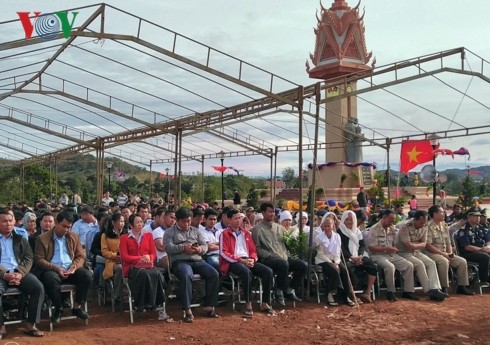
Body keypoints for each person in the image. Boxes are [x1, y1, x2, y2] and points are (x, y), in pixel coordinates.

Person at [34, 210, 92, 323]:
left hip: (70, 269)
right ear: (56, 222)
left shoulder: (73, 236)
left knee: (86, 275)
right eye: (64, 226)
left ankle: (77, 307)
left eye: (69, 227)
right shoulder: (42, 238)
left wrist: (74, 267)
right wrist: (56, 268)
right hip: (52, 269)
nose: (66, 229)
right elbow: (39, 259)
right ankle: (59, 308)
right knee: (50, 279)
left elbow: (81, 256)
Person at [164, 208, 220, 323]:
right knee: (186, 275)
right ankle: (187, 308)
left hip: (197, 260)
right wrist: (183, 248)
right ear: (177, 221)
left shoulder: (195, 231)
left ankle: (209, 305)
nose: (187, 224)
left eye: (188, 221)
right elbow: (167, 247)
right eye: (183, 221)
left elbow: (205, 246)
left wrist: (199, 249)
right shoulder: (170, 232)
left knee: (213, 273)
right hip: (180, 262)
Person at [219, 209, 276, 316]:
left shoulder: (246, 233)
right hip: (233, 262)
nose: (238, 221)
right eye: (235, 218)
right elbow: (223, 253)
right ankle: (248, 303)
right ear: (229, 220)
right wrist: (241, 260)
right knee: (246, 272)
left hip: (247, 260)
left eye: (239, 218)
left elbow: (253, 250)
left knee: (268, 271)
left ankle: (265, 302)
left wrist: (253, 259)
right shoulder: (224, 234)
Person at [0, 209, 45, 338]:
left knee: (38, 287)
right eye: (4, 221)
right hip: (2, 274)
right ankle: (1, 326)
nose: (8, 224)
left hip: (20, 272)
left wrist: (19, 273)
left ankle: (31, 324)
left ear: (14, 221)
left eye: (10, 221)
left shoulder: (20, 238)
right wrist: (5, 274)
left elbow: (28, 258)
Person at [252, 203, 306, 306]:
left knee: (302, 265)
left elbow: (287, 242)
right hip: (268, 259)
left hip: (283, 257)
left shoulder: (279, 227)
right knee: (283, 264)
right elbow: (257, 249)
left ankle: (289, 290)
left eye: (273, 212)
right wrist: (269, 255)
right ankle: (279, 290)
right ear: (263, 213)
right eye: (269, 212)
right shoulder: (257, 229)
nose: (272, 214)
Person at [396, 211, 448, 301]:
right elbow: (407, 245)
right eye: (421, 223)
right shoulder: (404, 226)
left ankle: (435, 288)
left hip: (416, 252)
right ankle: (429, 290)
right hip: (403, 252)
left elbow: (424, 243)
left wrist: (416, 245)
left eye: (424, 223)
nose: (423, 225)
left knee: (431, 263)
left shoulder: (425, 225)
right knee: (419, 264)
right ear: (415, 220)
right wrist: (419, 244)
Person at [366, 210, 417, 301]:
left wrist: (393, 248)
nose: (391, 222)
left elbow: (394, 244)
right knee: (390, 267)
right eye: (390, 220)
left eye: (393, 221)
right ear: (384, 217)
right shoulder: (374, 229)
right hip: (377, 255)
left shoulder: (392, 229)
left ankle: (408, 291)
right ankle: (390, 292)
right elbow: (371, 247)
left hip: (391, 254)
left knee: (409, 265)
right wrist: (386, 249)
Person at [119, 214, 166, 312]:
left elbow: (153, 254)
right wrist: (140, 258)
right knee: (144, 274)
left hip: (147, 265)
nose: (140, 224)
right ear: (131, 225)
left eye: (141, 221)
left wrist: (149, 257)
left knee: (156, 273)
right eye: (137, 222)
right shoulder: (124, 238)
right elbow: (124, 257)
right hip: (131, 267)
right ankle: (142, 303)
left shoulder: (148, 235)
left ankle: (155, 303)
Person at [425, 206, 474, 295]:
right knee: (444, 261)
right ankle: (444, 287)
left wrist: (450, 252)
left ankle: (462, 286)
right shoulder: (428, 226)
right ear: (435, 214)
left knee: (462, 261)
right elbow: (428, 246)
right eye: (442, 212)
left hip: (445, 252)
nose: (444, 214)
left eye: (444, 212)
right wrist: (444, 254)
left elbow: (448, 242)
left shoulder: (444, 225)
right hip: (432, 253)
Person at [338, 210, 377, 303]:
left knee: (372, 266)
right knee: (347, 269)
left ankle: (367, 292)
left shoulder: (357, 231)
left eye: (351, 220)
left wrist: (359, 256)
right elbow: (341, 248)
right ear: (343, 220)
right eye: (347, 219)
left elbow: (362, 245)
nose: (349, 222)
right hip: (345, 257)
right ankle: (351, 294)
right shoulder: (339, 231)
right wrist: (351, 257)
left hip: (358, 256)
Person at [314, 216, 355, 306]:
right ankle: (330, 294)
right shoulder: (318, 237)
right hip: (323, 260)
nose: (327, 228)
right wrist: (331, 262)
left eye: (329, 226)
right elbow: (320, 253)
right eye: (325, 226)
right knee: (334, 270)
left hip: (335, 259)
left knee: (344, 271)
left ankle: (346, 295)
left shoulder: (337, 236)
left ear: (333, 226)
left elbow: (338, 252)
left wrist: (336, 262)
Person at [455, 207, 490, 288]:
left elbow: (488, 238)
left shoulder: (481, 228)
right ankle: (483, 280)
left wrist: (488, 246)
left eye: (479, 216)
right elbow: (467, 247)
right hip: (468, 253)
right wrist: (482, 249)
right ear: (469, 217)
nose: (478, 218)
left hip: (482, 251)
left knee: (485, 255)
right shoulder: (463, 230)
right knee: (485, 257)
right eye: (475, 216)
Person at [101, 213, 126, 306]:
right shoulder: (105, 235)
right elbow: (104, 252)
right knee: (120, 268)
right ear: (113, 223)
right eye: (120, 221)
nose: (122, 223)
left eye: (123, 221)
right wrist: (116, 256)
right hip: (112, 261)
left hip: (126, 259)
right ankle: (117, 295)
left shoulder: (127, 233)